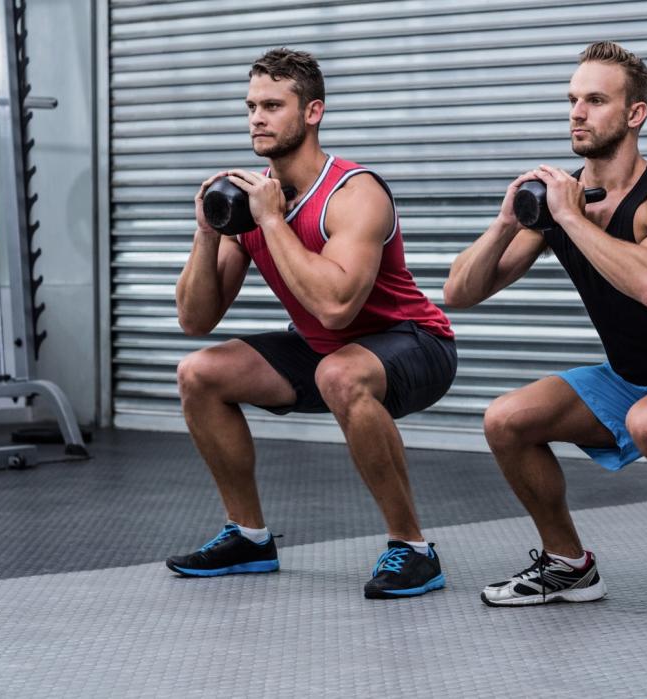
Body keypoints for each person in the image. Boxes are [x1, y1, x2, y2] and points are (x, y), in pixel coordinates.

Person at [443, 41, 647, 629]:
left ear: (635, 113)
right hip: (631, 377)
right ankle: (569, 565)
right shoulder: (561, 200)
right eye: (572, 99)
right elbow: (459, 293)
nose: (577, 112)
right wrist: (504, 223)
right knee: (506, 420)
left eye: (595, 100)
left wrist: (568, 218)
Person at [168, 48, 456, 600]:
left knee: (340, 376)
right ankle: (249, 537)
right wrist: (207, 231)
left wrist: (271, 220)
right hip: (327, 351)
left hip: (417, 344)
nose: (257, 118)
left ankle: (413, 549)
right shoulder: (251, 203)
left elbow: (336, 307)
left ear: (313, 111)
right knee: (199, 372)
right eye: (251, 106)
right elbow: (195, 319)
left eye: (273, 105)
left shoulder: (353, 192)